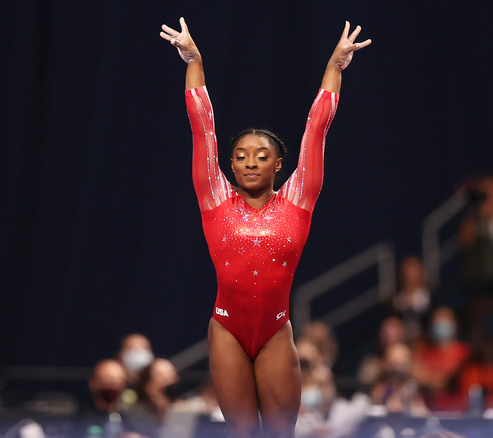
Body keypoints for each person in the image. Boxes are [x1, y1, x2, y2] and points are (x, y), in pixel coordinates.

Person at [159, 17, 371, 438]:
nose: (250, 161)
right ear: (230, 164)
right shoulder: (214, 197)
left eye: (262, 155)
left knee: (278, 432)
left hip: (275, 330)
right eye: (240, 155)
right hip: (226, 329)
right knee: (242, 432)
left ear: (279, 164)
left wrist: (334, 66)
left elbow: (317, 129)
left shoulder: (299, 198)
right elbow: (202, 127)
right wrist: (194, 60)